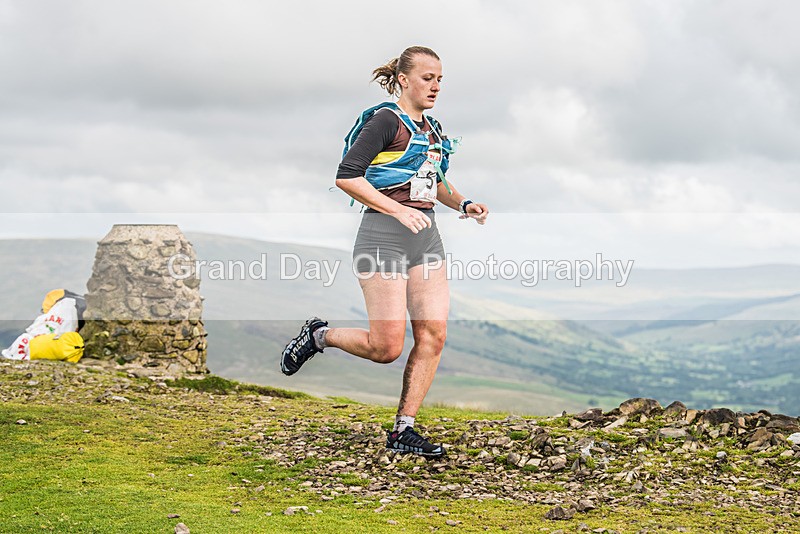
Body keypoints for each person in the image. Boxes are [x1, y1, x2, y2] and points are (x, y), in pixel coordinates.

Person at [281, 46, 489, 458]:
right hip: (382, 237)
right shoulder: (384, 122)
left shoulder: (432, 128)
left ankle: (403, 431)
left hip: (425, 237)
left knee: (433, 334)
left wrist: (463, 203)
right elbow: (347, 176)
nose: (435, 86)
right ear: (404, 79)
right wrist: (396, 210)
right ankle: (319, 336)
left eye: (440, 79)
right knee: (386, 347)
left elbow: (436, 179)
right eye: (428, 78)